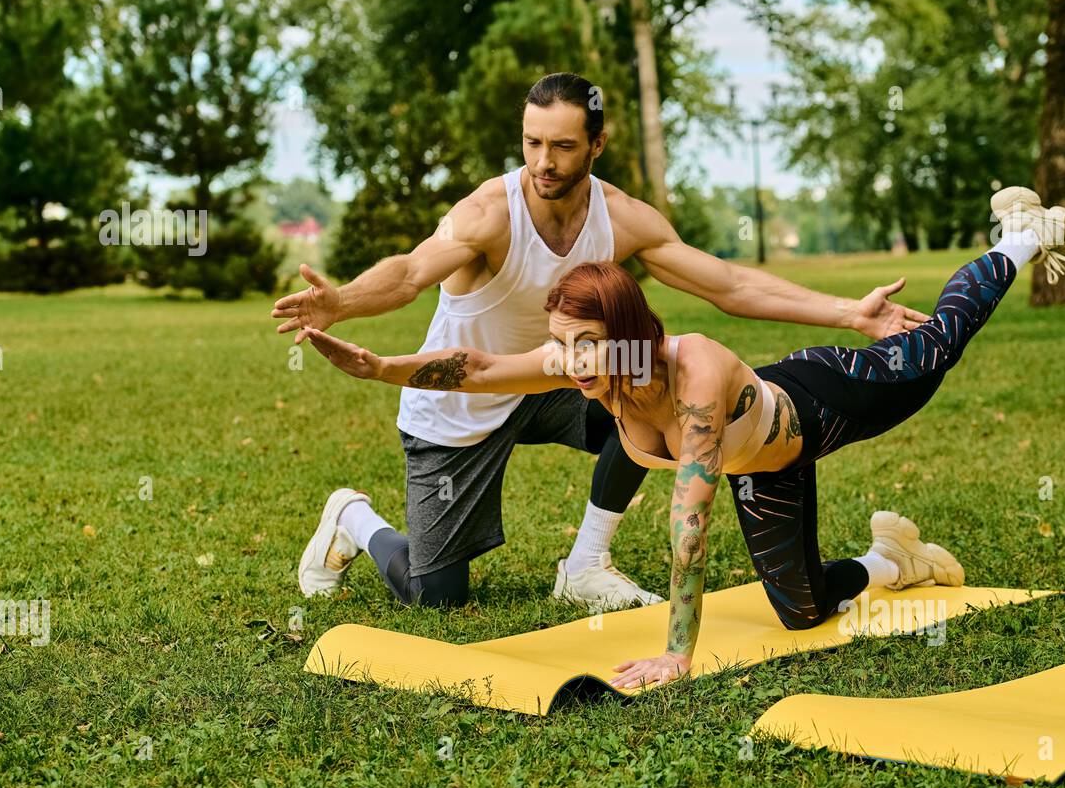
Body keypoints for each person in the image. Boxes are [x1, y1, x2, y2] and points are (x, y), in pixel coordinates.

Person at [303, 184, 1065, 689]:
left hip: (828, 402)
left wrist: (678, 653)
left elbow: (689, 524)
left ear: (624, 334)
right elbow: (474, 366)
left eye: (583, 343)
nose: (568, 360)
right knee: (803, 609)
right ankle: (893, 559)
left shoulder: (695, 376)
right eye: (561, 343)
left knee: (937, 346)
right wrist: (377, 366)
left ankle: (1017, 236)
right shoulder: (588, 363)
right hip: (771, 465)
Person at [275, 71, 932, 610]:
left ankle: (585, 563)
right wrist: (344, 302)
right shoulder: (488, 214)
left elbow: (728, 285)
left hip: (559, 381)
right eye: (532, 143)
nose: (543, 162)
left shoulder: (620, 219)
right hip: (465, 396)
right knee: (435, 594)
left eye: (561, 146)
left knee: (656, 391)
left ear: (597, 144)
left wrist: (850, 314)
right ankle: (353, 520)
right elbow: (412, 271)